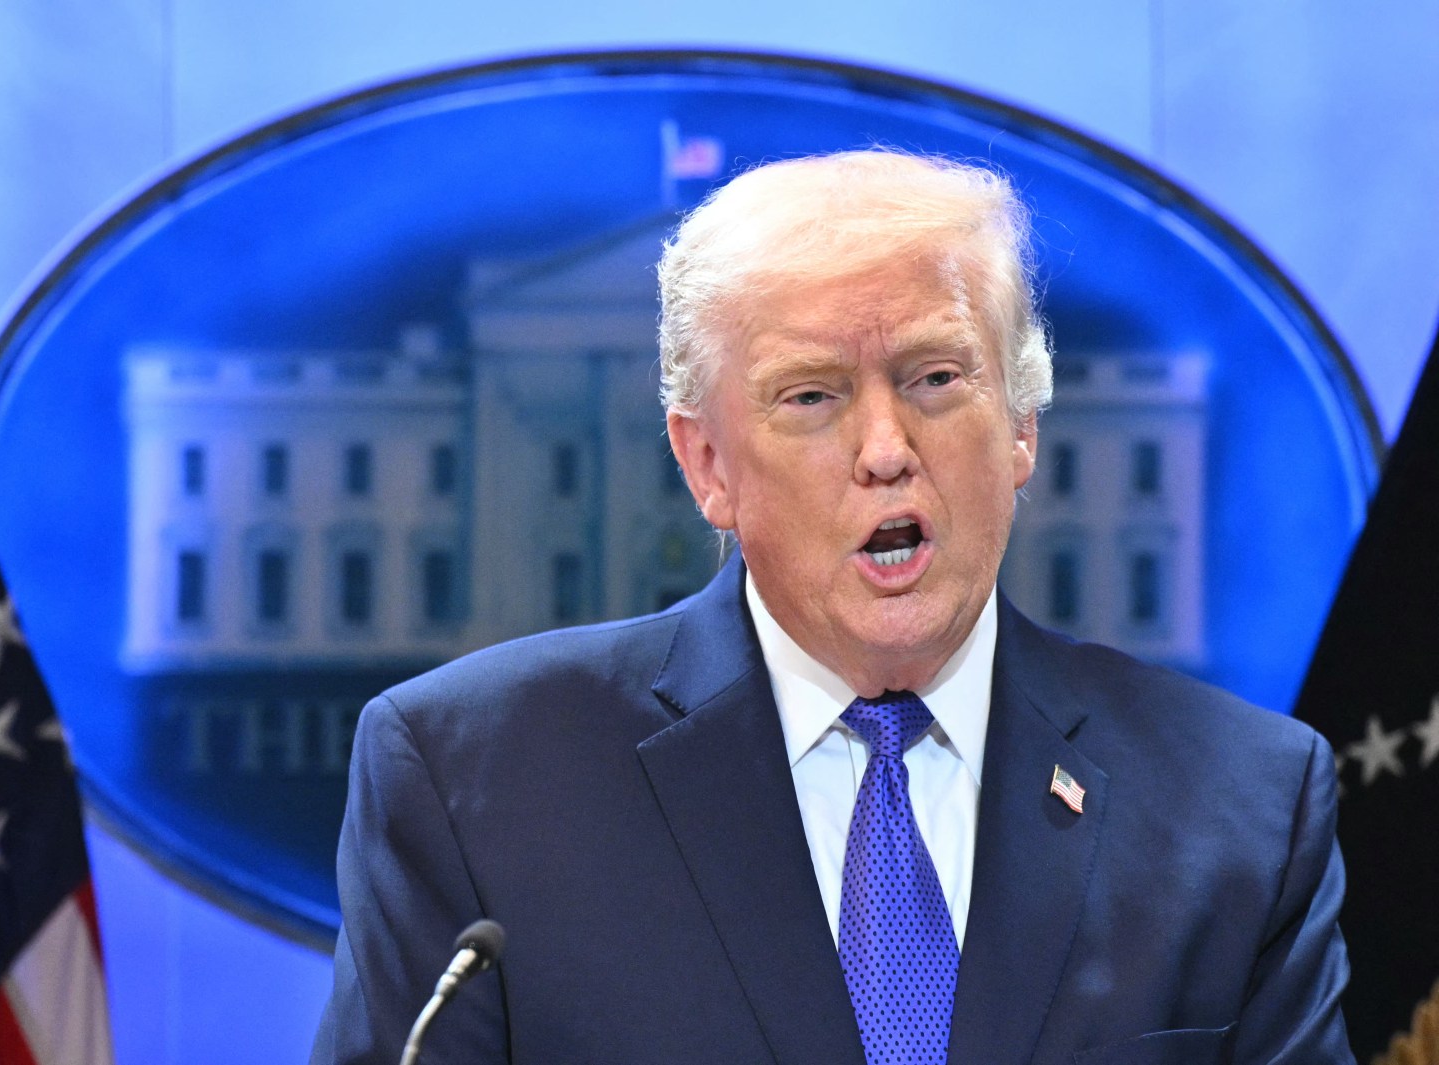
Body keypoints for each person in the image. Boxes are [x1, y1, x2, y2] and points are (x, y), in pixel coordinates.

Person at [311, 148, 1352, 1065]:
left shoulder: (1242, 805)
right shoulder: (473, 782)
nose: (886, 450)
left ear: (1022, 425)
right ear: (707, 463)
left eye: (936, 377)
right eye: (811, 396)